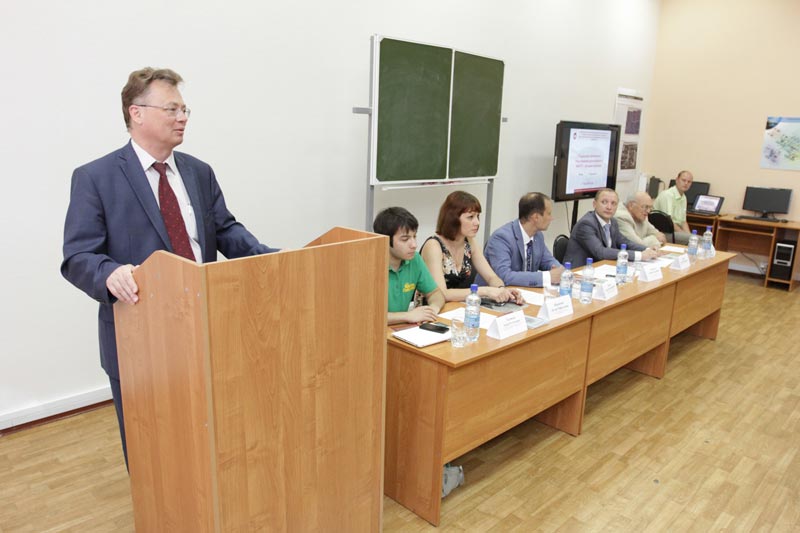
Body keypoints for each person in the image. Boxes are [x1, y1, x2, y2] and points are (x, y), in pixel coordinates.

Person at [61, 68, 279, 466]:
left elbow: (225, 230)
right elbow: (78, 256)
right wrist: (109, 273)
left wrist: (269, 257)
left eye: (184, 110)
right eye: (172, 109)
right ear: (136, 113)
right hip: (140, 334)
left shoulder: (199, 171)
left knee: (206, 439)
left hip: (204, 323)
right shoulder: (96, 177)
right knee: (152, 454)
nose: (182, 118)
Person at [421, 191, 522, 303]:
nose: (477, 222)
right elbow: (442, 294)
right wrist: (485, 291)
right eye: (470, 217)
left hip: (459, 307)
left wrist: (502, 290)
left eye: (478, 216)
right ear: (453, 219)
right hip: (432, 309)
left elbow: (491, 277)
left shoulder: (469, 242)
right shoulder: (433, 246)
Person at [373, 207, 446, 325]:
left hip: (399, 329)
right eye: (405, 239)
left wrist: (432, 310)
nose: (414, 245)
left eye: (414, 236)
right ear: (386, 240)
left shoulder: (415, 259)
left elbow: (435, 294)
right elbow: (365, 316)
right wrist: (407, 316)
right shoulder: (369, 265)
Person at [481, 192, 564, 288]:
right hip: (492, 294)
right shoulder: (501, 238)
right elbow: (504, 276)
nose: (551, 218)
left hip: (524, 293)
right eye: (549, 214)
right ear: (536, 217)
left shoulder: (538, 236)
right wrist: (546, 277)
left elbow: (548, 261)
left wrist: (561, 272)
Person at [564, 188, 658, 267]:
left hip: (601, 268)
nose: (609, 207)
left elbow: (624, 242)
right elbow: (601, 252)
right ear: (594, 204)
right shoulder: (586, 224)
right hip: (579, 272)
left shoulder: (612, 222)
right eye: (604, 202)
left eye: (613, 203)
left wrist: (646, 249)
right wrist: (639, 255)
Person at [653, 170, 693, 244]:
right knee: (700, 241)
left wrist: (690, 236)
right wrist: (685, 236)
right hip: (664, 232)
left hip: (675, 231)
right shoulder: (667, 195)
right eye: (683, 180)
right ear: (677, 180)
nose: (686, 183)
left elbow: (683, 222)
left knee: (695, 240)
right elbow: (669, 222)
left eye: (689, 182)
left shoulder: (684, 197)